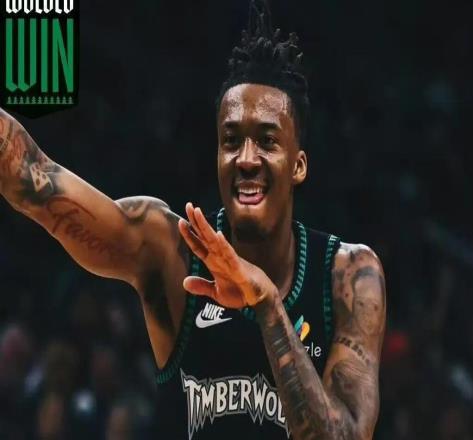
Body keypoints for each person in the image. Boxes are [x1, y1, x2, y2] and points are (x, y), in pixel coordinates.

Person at [0, 0, 386, 438]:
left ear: (298, 165)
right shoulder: (169, 253)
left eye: (267, 141)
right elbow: (32, 179)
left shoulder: (349, 275)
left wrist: (267, 304)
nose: (246, 158)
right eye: (231, 140)